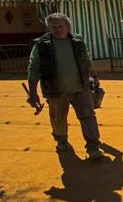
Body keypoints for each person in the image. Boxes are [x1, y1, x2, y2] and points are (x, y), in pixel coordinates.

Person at [27, 13, 103, 159]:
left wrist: (95, 76)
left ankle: (93, 147)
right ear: (48, 28)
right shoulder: (41, 45)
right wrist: (32, 92)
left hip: (81, 88)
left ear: (67, 26)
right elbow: (34, 67)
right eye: (53, 27)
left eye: (61, 26)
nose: (58, 29)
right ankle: (61, 142)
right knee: (58, 119)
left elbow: (86, 60)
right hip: (56, 91)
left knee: (88, 117)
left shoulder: (78, 41)